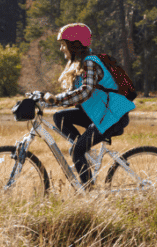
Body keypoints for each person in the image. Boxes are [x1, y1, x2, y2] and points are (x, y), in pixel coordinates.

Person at [43, 23, 136, 188]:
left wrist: (56, 99)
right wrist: (46, 100)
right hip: (99, 115)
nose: (61, 49)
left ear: (74, 45)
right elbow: (76, 96)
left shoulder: (90, 63)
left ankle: (89, 192)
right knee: (59, 117)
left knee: (77, 151)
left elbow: (85, 92)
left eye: (63, 45)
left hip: (112, 117)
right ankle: (85, 152)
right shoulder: (79, 65)